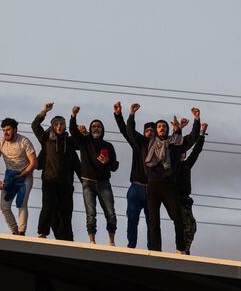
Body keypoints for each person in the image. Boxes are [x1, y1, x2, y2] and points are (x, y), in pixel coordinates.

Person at [128, 104, 202, 253]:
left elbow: (192, 138)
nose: (162, 128)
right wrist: (131, 115)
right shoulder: (146, 143)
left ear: (168, 130)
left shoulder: (175, 145)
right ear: (156, 130)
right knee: (154, 222)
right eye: (159, 126)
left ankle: (180, 248)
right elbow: (130, 132)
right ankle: (156, 251)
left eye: (164, 126)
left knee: (177, 218)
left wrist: (196, 119)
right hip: (153, 186)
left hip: (169, 186)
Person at [70, 106, 119, 245]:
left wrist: (108, 162)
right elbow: (73, 131)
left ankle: (111, 242)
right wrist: (73, 115)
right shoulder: (84, 142)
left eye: (98, 126)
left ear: (102, 129)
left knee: (111, 214)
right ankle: (92, 241)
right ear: (90, 129)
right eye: (93, 126)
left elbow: (115, 167)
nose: (96, 128)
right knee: (91, 214)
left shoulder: (108, 146)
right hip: (88, 183)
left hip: (104, 183)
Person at [31, 102, 78, 241]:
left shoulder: (70, 142)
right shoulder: (46, 139)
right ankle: (42, 232)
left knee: (66, 211)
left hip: (66, 183)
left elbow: (81, 142)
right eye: (56, 124)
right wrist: (44, 111)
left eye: (61, 124)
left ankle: (66, 239)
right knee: (48, 206)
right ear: (52, 126)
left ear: (65, 126)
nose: (59, 126)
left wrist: (74, 117)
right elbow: (35, 126)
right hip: (49, 179)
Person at [114, 102, 153, 249]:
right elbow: (126, 130)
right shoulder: (139, 144)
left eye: (152, 130)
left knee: (152, 222)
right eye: (147, 130)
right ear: (143, 133)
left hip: (152, 190)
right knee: (132, 219)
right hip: (136, 187)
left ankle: (153, 249)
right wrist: (121, 115)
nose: (150, 132)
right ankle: (132, 246)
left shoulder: (160, 149)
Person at [0, 118, 38, 235]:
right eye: (4, 130)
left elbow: (34, 163)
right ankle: (14, 231)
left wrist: (22, 174)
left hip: (25, 175)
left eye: (8, 130)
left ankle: (21, 231)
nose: (6, 133)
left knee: (22, 203)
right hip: (10, 176)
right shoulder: (1, 142)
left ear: (15, 129)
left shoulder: (24, 141)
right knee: (4, 207)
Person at [178, 122, 208, 254]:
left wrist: (201, 134)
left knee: (192, 226)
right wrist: (178, 129)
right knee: (186, 226)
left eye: (183, 153)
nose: (182, 154)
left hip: (186, 200)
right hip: (176, 199)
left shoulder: (186, 164)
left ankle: (185, 248)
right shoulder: (170, 165)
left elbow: (196, 151)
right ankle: (182, 249)